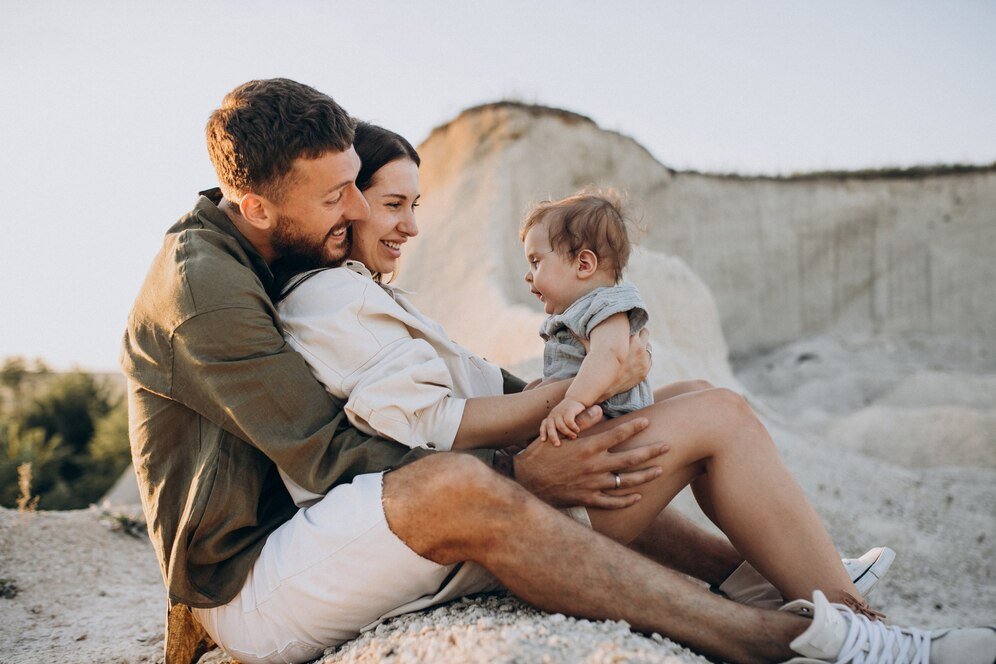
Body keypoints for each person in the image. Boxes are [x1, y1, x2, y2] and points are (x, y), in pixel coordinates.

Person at [121, 79, 994, 664]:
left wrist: (571, 405)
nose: (358, 209)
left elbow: (454, 391)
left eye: (364, 186)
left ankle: (804, 594)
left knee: (696, 404)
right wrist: (523, 467)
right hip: (245, 576)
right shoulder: (208, 292)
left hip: (332, 526)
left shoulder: (300, 253)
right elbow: (326, 455)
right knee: (460, 487)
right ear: (256, 206)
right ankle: (774, 634)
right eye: (339, 197)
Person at [520, 189, 654, 445]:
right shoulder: (576, 312)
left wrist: (574, 401)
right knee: (535, 388)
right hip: (587, 412)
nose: (528, 275)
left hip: (609, 418)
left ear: (583, 264)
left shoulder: (606, 306)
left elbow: (609, 354)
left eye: (536, 262)